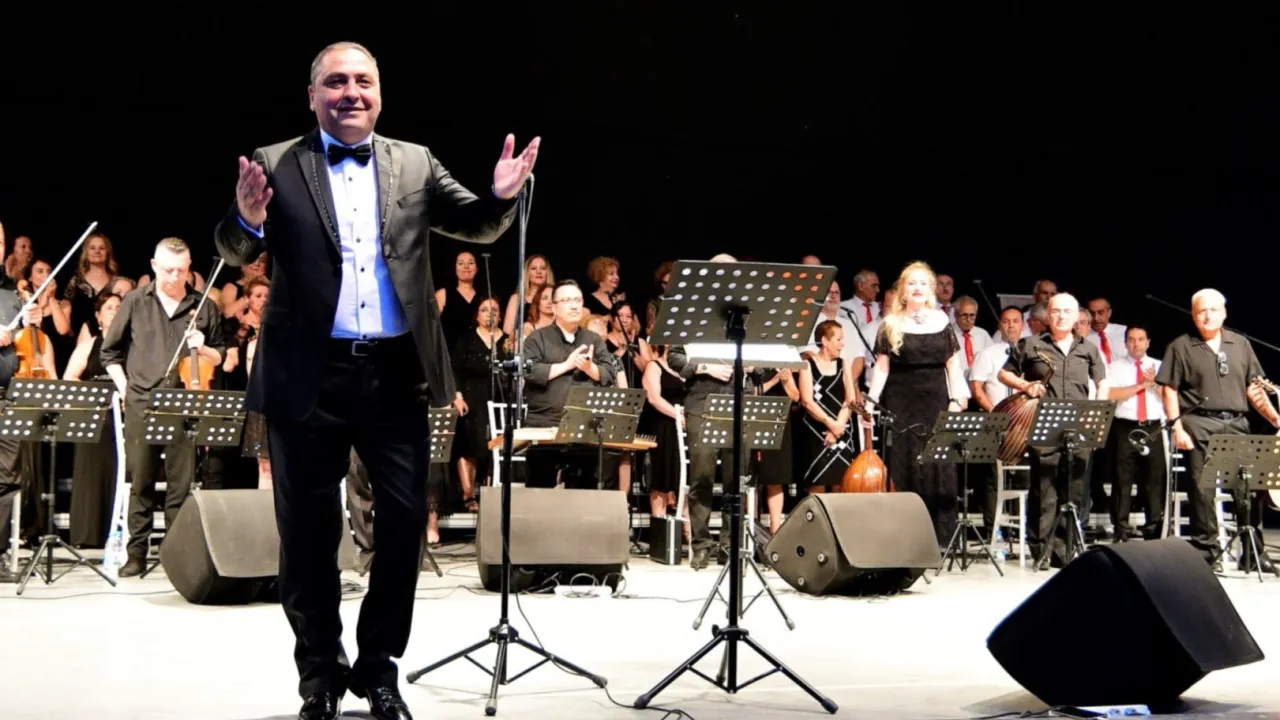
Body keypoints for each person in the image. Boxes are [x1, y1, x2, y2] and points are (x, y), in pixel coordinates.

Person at [213, 41, 538, 720]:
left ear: (380, 93)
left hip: (395, 375)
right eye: (335, 82)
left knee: (402, 525)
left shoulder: (414, 161)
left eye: (363, 80)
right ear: (312, 95)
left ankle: (379, 667)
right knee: (307, 536)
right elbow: (235, 248)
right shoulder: (276, 161)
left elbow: (476, 225)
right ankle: (320, 678)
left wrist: (501, 196)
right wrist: (245, 218)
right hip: (308, 376)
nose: (350, 92)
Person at [101, 238, 226, 576]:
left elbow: (221, 356)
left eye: (182, 271)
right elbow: (109, 353)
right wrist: (125, 388)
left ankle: (174, 555)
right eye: (168, 270)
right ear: (154, 266)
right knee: (140, 480)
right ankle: (136, 554)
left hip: (184, 403)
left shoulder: (203, 306)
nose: (175, 277)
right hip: (142, 402)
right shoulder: (134, 301)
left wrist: (204, 347)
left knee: (180, 486)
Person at [1156, 289, 1280, 568]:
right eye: (1202, 311)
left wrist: (1275, 419)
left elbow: (1254, 388)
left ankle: (1253, 553)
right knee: (1203, 490)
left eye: (1214, 310)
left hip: (1237, 423)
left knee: (1248, 488)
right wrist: (1177, 427)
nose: (1208, 315)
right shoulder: (1181, 346)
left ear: (1224, 313)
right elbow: (1169, 389)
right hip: (1198, 423)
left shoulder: (1240, 344)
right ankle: (1207, 553)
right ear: (1193, 315)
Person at [998, 293, 1109, 568]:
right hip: (1044, 425)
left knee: (1074, 490)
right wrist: (1026, 386)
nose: (1061, 316)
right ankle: (1042, 551)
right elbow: (1004, 374)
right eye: (1056, 311)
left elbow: (1102, 382)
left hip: (1078, 428)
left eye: (1067, 312)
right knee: (1044, 490)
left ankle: (1066, 550)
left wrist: (1097, 412)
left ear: (1076, 317)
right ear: (1048, 315)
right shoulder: (1032, 344)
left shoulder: (1088, 348)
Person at [866, 262, 968, 546]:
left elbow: (953, 364)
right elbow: (882, 368)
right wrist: (871, 403)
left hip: (936, 401)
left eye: (923, 283)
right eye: (912, 283)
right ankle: (905, 539)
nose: (917, 288)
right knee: (906, 464)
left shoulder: (942, 321)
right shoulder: (890, 323)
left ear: (931, 289)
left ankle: (941, 538)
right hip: (901, 403)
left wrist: (956, 400)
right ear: (903, 289)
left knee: (939, 466)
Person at [522, 280, 616, 489]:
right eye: (567, 301)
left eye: (578, 300)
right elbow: (530, 372)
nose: (574, 306)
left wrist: (589, 368)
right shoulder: (537, 338)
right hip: (545, 424)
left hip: (584, 425)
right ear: (554, 308)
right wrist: (568, 364)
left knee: (584, 487)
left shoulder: (594, 339)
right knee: (540, 487)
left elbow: (609, 374)